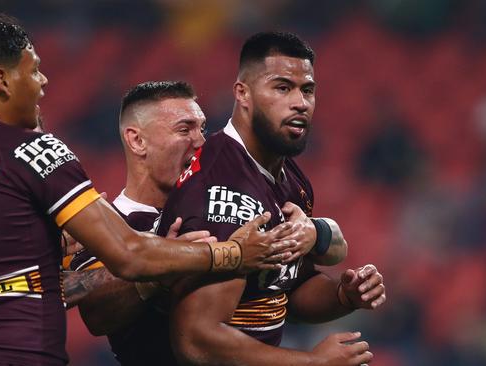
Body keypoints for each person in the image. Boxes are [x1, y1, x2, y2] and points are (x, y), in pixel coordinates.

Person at [0, 15, 302, 365]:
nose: (44, 81)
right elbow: (129, 253)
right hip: (21, 350)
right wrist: (231, 253)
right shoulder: (31, 149)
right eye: (33, 70)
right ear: (1, 80)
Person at [64, 80, 348, 365]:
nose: (201, 142)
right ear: (137, 140)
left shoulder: (230, 206)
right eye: (184, 129)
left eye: (202, 128)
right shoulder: (110, 225)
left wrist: (324, 251)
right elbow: (97, 314)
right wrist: (167, 266)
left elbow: (289, 284)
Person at [157, 31, 387, 365]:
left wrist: (342, 295)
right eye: (282, 88)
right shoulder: (225, 192)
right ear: (243, 94)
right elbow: (196, 340)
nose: (300, 103)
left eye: (307, 90)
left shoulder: (290, 179)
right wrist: (312, 362)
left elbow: (282, 289)